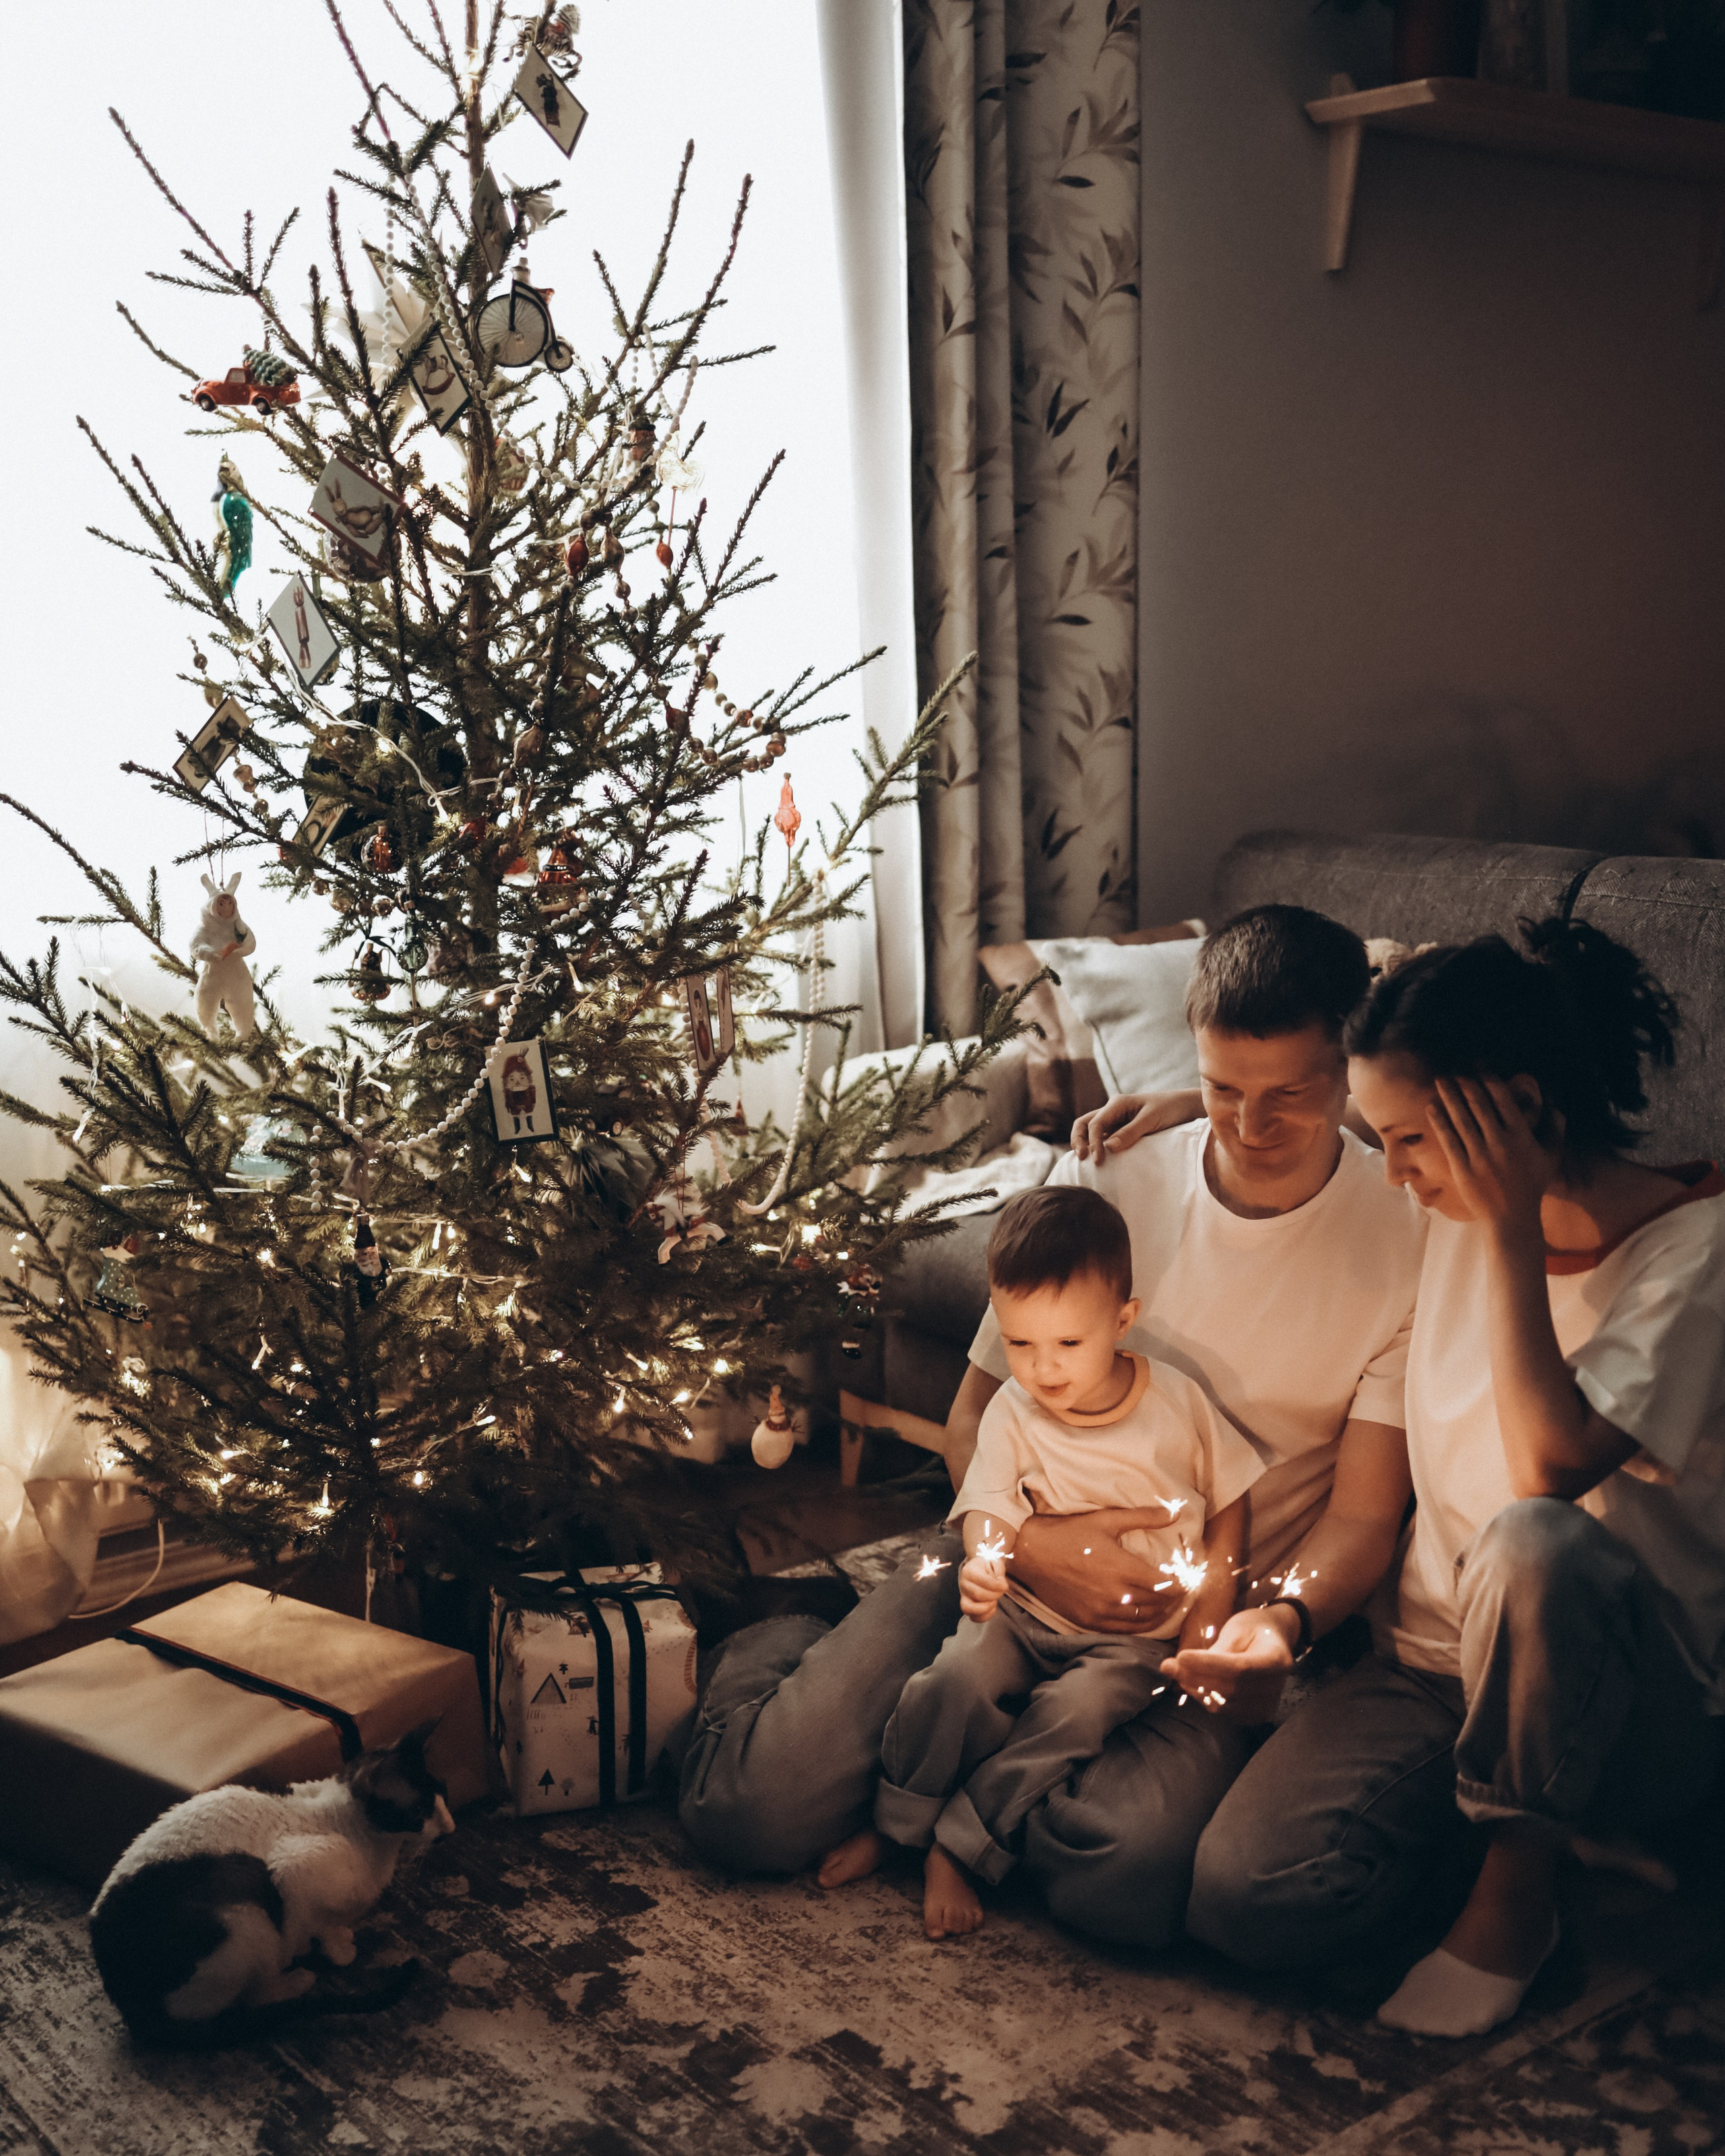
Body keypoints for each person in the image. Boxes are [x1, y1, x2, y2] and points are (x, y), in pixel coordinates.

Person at [677, 905, 1427, 1946]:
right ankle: (793, 1637)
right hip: (999, 1563)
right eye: (1220, 1089)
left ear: (1350, 1068)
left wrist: (1276, 1626)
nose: (1247, 1129)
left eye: (1289, 1097)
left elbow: (1362, 1520)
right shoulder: (1114, 1172)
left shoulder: (1404, 1235)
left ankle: (941, 1794)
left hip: (1183, 1626)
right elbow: (972, 1418)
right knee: (749, 1811)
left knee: (1124, 1879)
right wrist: (1028, 1545)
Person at [1169, 918, 1725, 2037]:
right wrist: (1183, 1111)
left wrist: (1514, 1224)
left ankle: (1517, 1900)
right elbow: (1313, 1098)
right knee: (1242, 1900)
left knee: (1534, 1538)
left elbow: (1550, 1465)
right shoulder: (1446, 1200)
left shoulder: (1694, 1255)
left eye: (1412, 1143)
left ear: (1516, 1110)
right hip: (1430, 1667)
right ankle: (1531, 1840)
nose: (1400, 1177)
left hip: (1626, 1699)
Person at [848, 1185, 1262, 1938]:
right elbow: (990, 1503)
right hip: (1023, 1609)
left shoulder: (1177, 1403)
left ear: (1122, 1320)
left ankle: (961, 1844)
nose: (1042, 1368)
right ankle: (897, 1821)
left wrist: (1210, 1610)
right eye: (1019, 1342)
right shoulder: (1012, 1409)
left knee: (1069, 1715)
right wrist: (983, 1560)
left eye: (1068, 1343)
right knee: (953, 1679)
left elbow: (1232, 1497)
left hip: (1133, 1638)